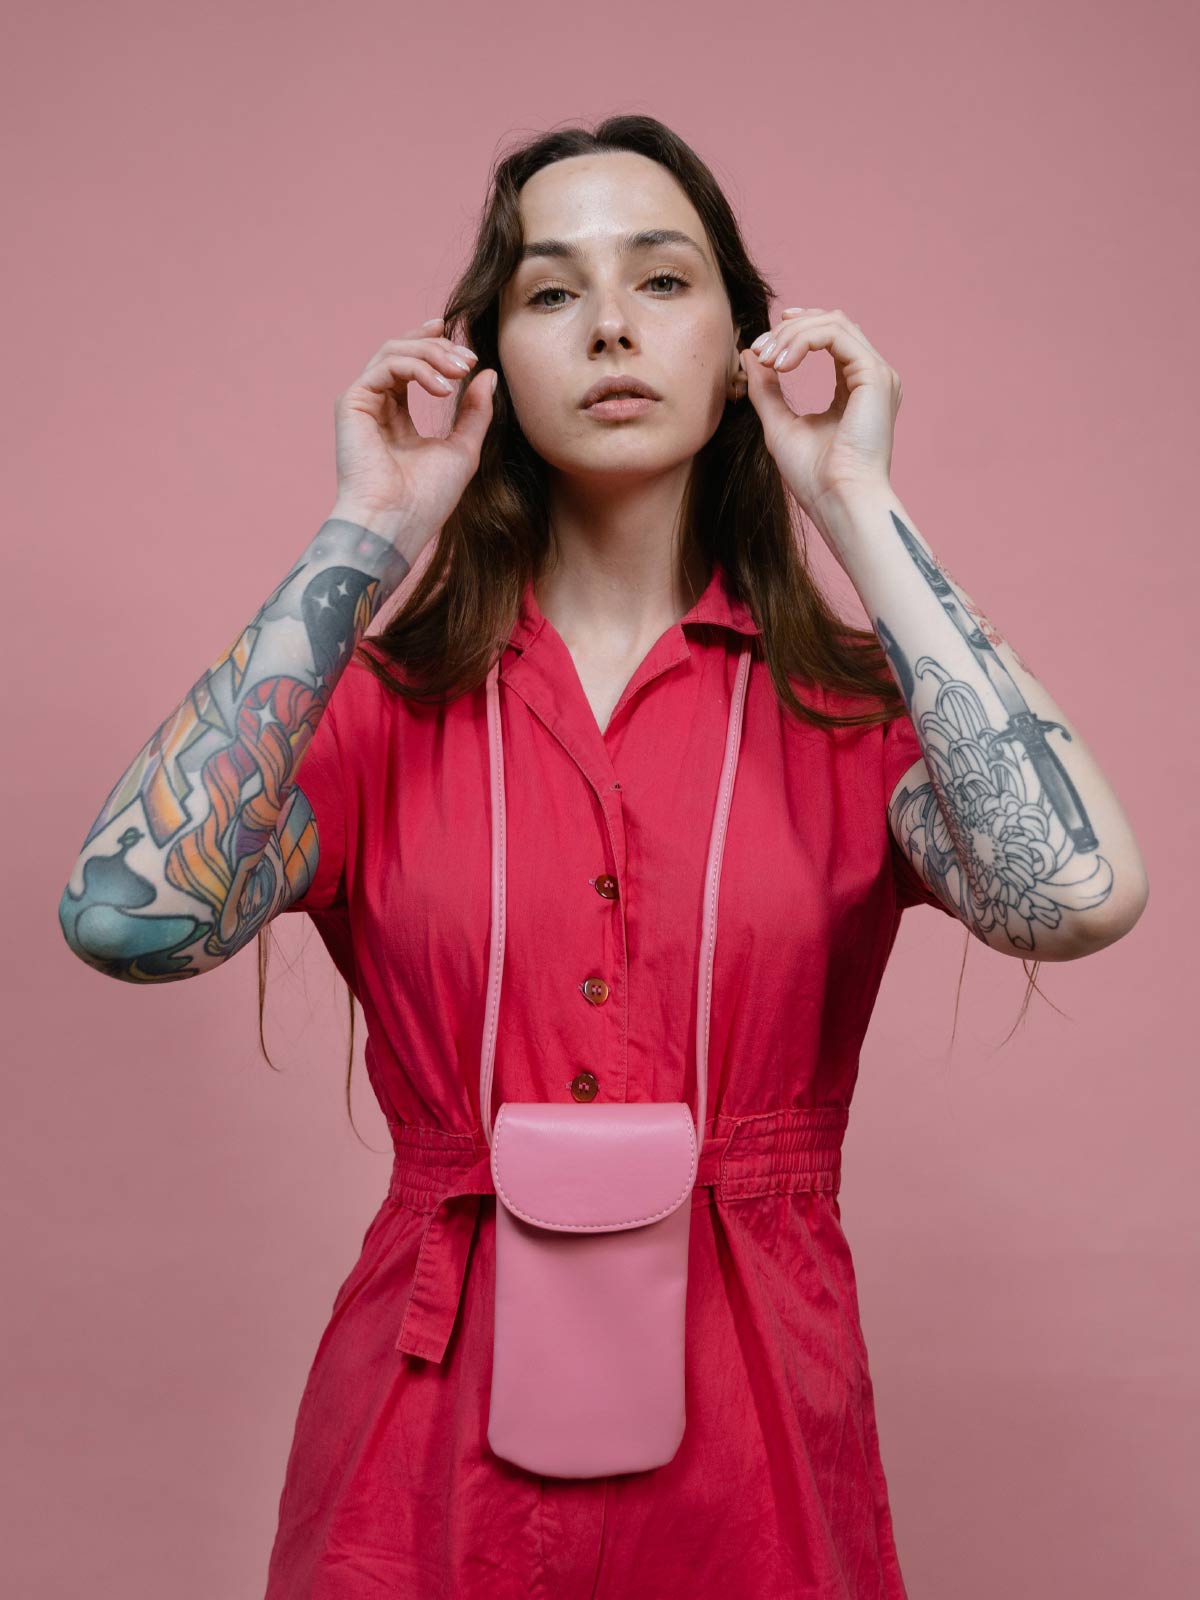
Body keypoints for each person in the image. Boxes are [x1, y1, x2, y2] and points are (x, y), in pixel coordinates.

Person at [59, 115, 1149, 1599]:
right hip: (425, 1430)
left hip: (762, 1429)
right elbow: (126, 920)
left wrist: (856, 499)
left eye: (664, 279)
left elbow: (1078, 898)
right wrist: (369, 525)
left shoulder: (854, 713)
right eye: (554, 291)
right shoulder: (374, 708)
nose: (614, 327)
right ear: (491, 359)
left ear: (744, 343)